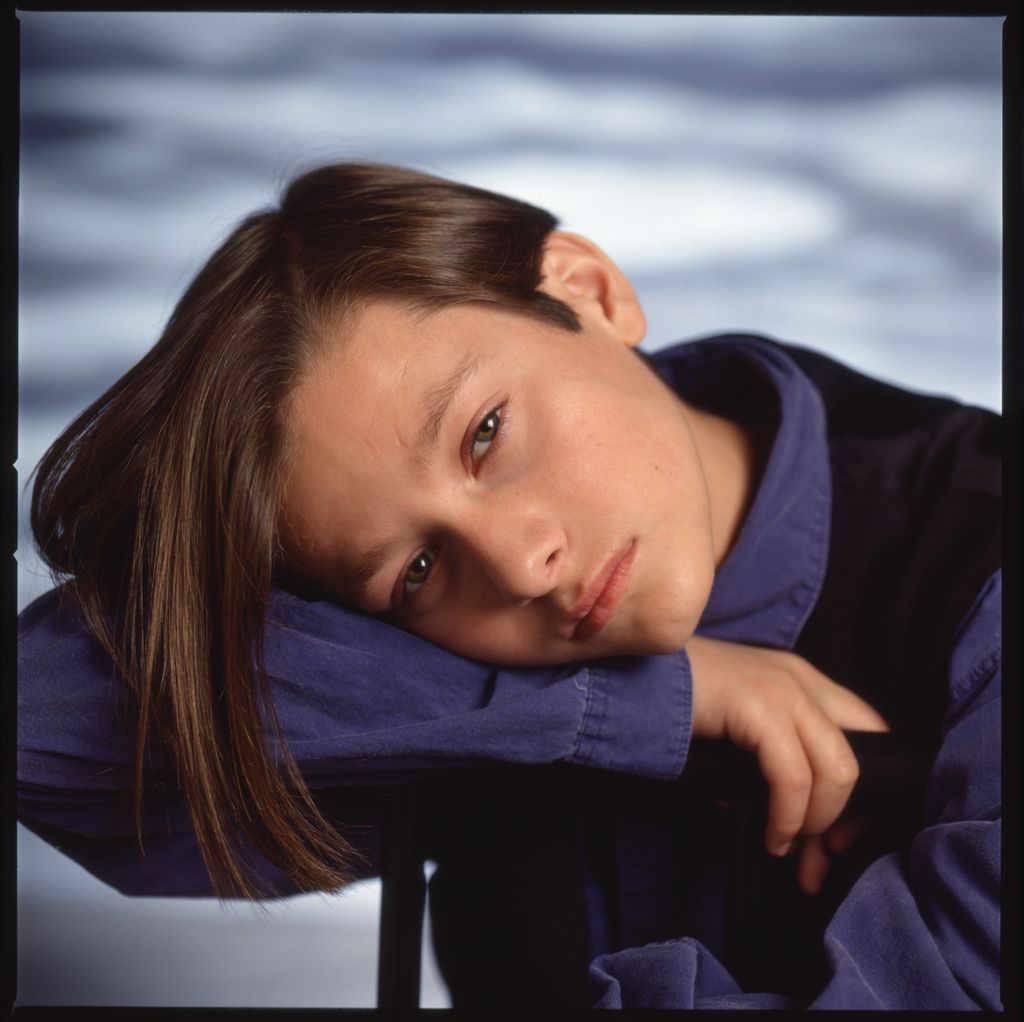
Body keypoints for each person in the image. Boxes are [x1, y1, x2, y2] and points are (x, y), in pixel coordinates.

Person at [18, 162, 1001, 1009]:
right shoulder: (450, 679)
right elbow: (38, 721)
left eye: (485, 432)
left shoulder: (981, 557)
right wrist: (663, 696)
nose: (518, 564)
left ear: (589, 289)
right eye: (414, 567)